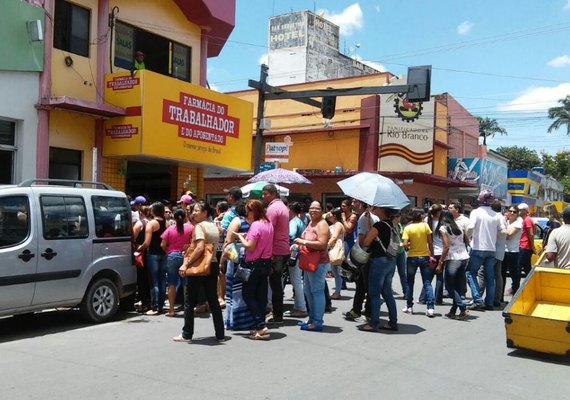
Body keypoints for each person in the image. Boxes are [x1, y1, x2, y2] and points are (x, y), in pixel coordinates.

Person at [174, 201, 224, 343]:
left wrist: (187, 263)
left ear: (205, 212)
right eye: (193, 210)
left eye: (196, 210)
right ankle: (220, 333)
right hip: (212, 264)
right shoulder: (214, 227)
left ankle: (187, 334)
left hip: (200, 266)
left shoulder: (199, 227)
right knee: (213, 300)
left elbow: (200, 247)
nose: (193, 213)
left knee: (189, 301)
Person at [232, 199, 274, 340]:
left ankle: (261, 326)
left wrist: (240, 237)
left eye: (248, 211)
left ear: (253, 211)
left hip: (253, 264)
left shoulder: (256, 225)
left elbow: (250, 246)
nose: (246, 214)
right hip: (265, 263)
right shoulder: (269, 224)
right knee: (261, 296)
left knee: (248, 294)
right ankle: (259, 326)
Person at [466, 190, 506, 311]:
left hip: (478, 248)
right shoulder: (497, 215)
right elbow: (503, 231)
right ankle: (489, 303)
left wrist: (468, 238)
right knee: (490, 277)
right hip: (491, 249)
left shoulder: (476, 212)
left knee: (470, 273)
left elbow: (471, 227)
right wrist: (495, 236)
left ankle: (478, 299)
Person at [360, 206, 399, 331]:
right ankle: (393, 322)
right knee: (387, 292)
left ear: (382, 210)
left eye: (377, 208)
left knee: (374, 293)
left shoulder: (379, 225)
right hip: (390, 261)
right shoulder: (392, 225)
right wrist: (368, 222)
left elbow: (366, 242)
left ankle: (374, 323)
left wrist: (369, 231)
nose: (375, 209)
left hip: (378, 261)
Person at [294, 201, 330, 332]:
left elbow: (322, 244)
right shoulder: (311, 222)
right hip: (309, 261)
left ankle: (317, 322)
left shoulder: (322, 224)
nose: (313, 210)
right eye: (311, 208)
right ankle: (312, 318)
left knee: (317, 291)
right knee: (308, 291)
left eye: (317, 208)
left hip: (319, 262)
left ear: (322, 210)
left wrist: (303, 242)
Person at [222, 200, 255, 330]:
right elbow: (228, 243)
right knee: (236, 291)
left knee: (247, 290)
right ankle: (235, 321)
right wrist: (223, 261)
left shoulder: (255, 222)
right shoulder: (237, 221)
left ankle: (246, 320)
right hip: (237, 261)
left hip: (250, 260)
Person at [261, 184, 290, 324]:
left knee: (275, 284)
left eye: (265, 194)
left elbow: (268, 231)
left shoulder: (273, 208)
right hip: (283, 249)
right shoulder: (283, 207)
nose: (263, 196)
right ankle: (277, 312)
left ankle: (277, 314)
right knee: (277, 283)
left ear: (272, 194)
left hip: (276, 250)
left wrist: (268, 252)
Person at [344, 199, 376, 321]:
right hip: (371, 255)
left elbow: (363, 240)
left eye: (355, 201)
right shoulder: (371, 216)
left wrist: (357, 245)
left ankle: (365, 312)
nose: (352, 204)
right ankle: (358, 310)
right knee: (363, 284)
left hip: (364, 255)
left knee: (363, 284)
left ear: (362, 203)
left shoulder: (363, 218)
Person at [402, 208, 435, 317]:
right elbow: (430, 242)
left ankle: (409, 306)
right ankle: (430, 308)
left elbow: (405, 244)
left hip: (412, 257)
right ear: (420, 217)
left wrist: (409, 245)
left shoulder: (408, 228)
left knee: (410, 282)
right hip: (424, 256)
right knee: (427, 282)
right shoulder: (425, 226)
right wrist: (432, 254)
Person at [136, 202, 167, 315]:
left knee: (154, 281)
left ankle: (154, 306)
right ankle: (161, 305)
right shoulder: (166, 223)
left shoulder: (151, 224)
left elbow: (147, 242)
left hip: (153, 254)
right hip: (164, 254)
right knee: (162, 280)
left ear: (153, 211)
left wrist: (139, 247)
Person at [161, 208, 193, 317]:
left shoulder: (170, 229)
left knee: (171, 283)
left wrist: (168, 252)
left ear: (174, 218)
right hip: (186, 256)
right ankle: (187, 308)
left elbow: (162, 245)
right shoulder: (190, 228)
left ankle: (171, 310)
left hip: (172, 256)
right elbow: (194, 242)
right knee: (186, 283)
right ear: (185, 217)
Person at [439, 210, 470, 319]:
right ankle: (453, 311)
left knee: (449, 287)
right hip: (464, 256)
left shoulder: (443, 228)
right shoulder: (459, 225)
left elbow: (446, 247)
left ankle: (462, 307)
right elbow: (467, 240)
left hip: (453, 258)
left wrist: (440, 262)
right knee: (458, 286)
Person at [285, 201, 308, 318]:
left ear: (291, 210)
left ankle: (301, 307)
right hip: (301, 252)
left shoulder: (293, 222)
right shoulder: (302, 221)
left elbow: (291, 235)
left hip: (294, 253)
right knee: (297, 281)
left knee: (296, 281)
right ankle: (299, 306)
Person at [132, 205, 152, 313]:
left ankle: (144, 303)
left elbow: (132, 238)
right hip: (150, 254)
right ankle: (149, 302)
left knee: (141, 279)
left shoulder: (140, 224)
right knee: (149, 279)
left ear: (140, 213)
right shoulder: (152, 223)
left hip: (140, 254)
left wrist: (137, 247)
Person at [502, 205, 523, 299]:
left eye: (514, 212)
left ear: (518, 213)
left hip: (513, 252)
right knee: (501, 274)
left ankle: (516, 295)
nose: (512, 213)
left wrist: (500, 229)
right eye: (510, 211)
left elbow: (509, 235)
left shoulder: (518, 223)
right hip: (503, 250)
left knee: (514, 274)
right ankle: (500, 297)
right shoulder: (505, 222)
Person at [327, 207, 345, 300]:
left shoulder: (338, 224)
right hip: (333, 249)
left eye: (330, 214)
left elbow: (334, 237)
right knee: (335, 271)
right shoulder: (334, 224)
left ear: (334, 216)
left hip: (336, 249)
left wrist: (326, 246)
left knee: (337, 272)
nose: (328, 215)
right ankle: (337, 291)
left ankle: (337, 292)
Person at [392, 212, 408, 299]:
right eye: (397, 216)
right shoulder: (391, 226)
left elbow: (403, 238)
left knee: (403, 273)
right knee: (390, 273)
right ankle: (387, 291)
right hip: (393, 252)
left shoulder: (400, 226)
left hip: (401, 252)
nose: (399, 218)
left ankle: (406, 292)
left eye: (399, 216)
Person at [517, 203, 536, 277]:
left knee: (518, 267)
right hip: (525, 247)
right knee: (527, 268)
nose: (519, 212)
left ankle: (515, 287)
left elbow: (531, 234)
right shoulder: (525, 220)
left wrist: (533, 247)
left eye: (520, 210)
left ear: (525, 211)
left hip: (524, 247)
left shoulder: (527, 220)